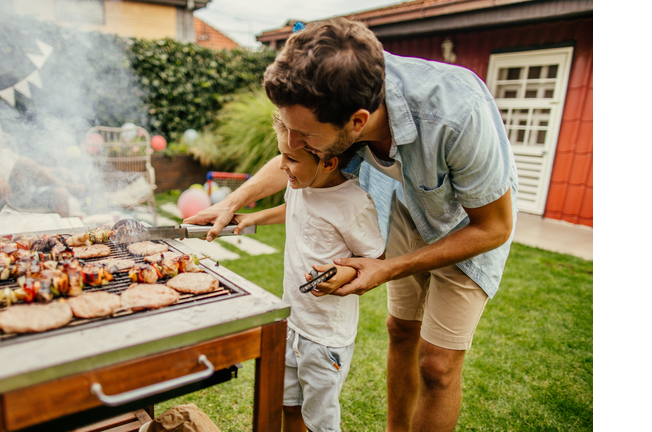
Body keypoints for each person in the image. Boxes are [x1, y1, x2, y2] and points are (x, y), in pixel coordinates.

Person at [185, 17, 518, 432]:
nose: (290, 143)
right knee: (400, 330)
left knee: (437, 365)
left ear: (357, 123)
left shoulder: (455, 112)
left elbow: (495, 227)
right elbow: (296, 158)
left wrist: (387, 267)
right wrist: (233, 200)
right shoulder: (334, 94)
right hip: (405, 207)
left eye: (303, 135)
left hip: (468, 224)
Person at [232, 116, 385, 432]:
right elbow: (293, 210)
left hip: (325, 337)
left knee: (320, 422)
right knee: (289, 405)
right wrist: (253, 216)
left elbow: (376, 258)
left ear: (328, 163)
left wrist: (343, 274)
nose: (282, 166)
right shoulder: (300, 185)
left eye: (290, 159)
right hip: (292, 322)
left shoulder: (354, 203)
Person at [0, 114, 85, 217]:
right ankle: (71, 187)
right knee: (23, 162)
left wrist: (57, 169)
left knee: (60, 192)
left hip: (24, 195)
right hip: (4, 197)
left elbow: (34, 169)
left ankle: (65, 235)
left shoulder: (7, 152)